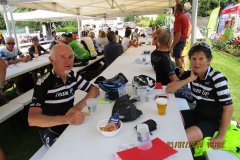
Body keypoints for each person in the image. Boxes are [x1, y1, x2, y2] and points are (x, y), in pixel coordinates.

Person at [28, 44, 100, 147]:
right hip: (51, 128)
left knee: (92, 140)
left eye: (71, 57)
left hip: (70, 121)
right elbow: (32, 119)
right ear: (52, 59)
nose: (68, 62)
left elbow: (95, 90)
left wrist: (77, 107)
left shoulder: (72, 75)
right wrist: (67, 119)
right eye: (62, 57)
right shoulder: (44, 82)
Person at [166, 42, 233, 147]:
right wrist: (189, 79)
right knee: (170, 120)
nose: (197, 63)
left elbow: (228, 108)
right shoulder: (191, 74)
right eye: (193, 58)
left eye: (201, 59)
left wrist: (221, 136)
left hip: (212, 121)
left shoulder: (217, 78)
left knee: (180, 140)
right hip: (196, 114)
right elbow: (169, 89)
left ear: (208, 60)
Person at [170, 2, 191, 68]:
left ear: (177, 9)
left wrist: (172, 45)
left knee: (177, 59)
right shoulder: (184, 17)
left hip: (179, 41)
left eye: (175, 8)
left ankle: (181, 74)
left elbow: (178, 33)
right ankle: (181, 72)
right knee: (179, 58)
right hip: (182, 40)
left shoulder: (179, 18)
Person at [181, 2, 192, 70]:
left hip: (184, 38)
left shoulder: (187, 15)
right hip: (183, 37)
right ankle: (183, 68)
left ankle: (185, 69)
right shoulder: (185, 14)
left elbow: (190, 26)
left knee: (183, 54)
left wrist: (186, 36)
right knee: (182, 54)